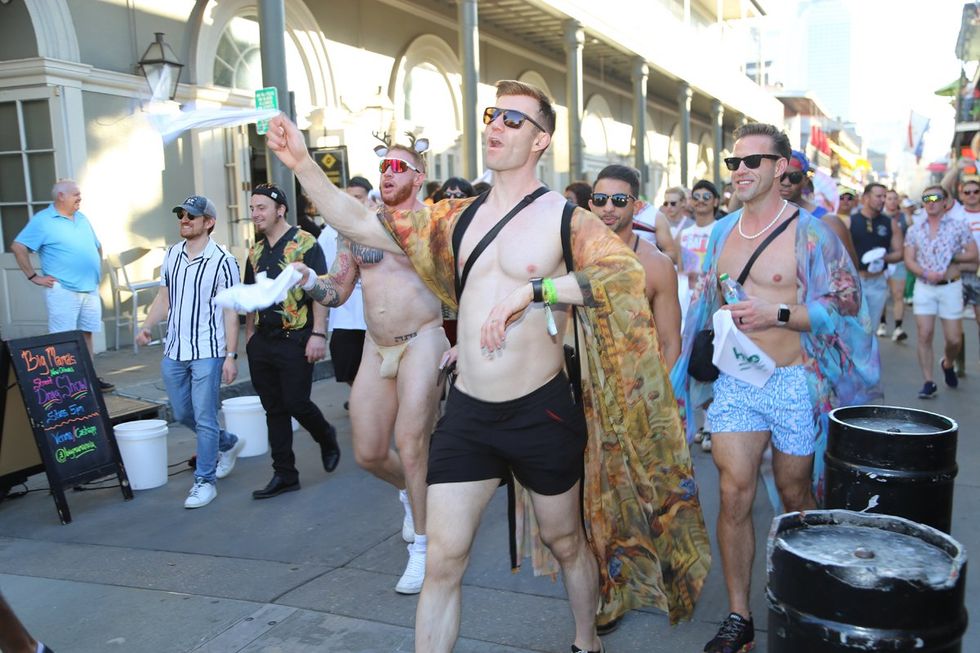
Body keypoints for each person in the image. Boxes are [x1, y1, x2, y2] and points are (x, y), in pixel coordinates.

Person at [269, 80, 709, 653]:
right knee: (443, 562)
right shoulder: (455, 217)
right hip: (470, 414)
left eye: (512, 120)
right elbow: (362, 225)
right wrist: (302, 163)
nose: (495, 126)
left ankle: (585, 640)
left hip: (540, 411)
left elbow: (622, 277)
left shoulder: (564, 218)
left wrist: (538, 290)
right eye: (491, 115)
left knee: (565, 541)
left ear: (540, 140)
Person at [672, 123, 880, 653]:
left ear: (781, 167)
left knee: (794, 494)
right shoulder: (720, 234)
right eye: (733, 162)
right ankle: (739, 616)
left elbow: (847, 307)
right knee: (734, 491)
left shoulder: (812, 235)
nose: (739, 171)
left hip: (793, 382)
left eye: (752, 161)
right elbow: (704, 305)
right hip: (739, 384)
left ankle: (802, 597)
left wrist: (778, 312)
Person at [300, 137, 449, 596]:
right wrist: (306, 280)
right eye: (384, 166)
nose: (388, 173)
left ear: (418, 177)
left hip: (422, 339)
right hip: (375, 345)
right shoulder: (357, 226)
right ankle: (414, 493)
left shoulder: (432, 224)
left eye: (399, 167)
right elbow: (339, 290)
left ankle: (423, 549)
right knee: (366, 452)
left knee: (411, 443)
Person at [136, 195, 244, 508]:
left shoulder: (223, 261)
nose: (184, 219)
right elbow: (163, 298)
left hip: (208, 350)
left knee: (205, 416)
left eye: (191, 216)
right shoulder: (171, 254)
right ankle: (227, 444)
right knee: (183, 413)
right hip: (174, 348)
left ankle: (204, 480)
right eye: (181, 214)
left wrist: (230, 355)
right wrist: (146, 326)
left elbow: (230, 313)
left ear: (208, 222)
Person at [244, 183, 341, 499]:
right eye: (252, 208)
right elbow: (251, 295)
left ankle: (325, 435)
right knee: (273, 409)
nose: (255, 214)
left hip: (295, 338)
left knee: (296, 402)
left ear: (279, 209)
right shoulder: (256, 250)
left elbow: (320, 291)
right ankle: (285, 473)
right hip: (263, 340)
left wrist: (318, 335)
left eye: (261, 207)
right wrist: (249, 339)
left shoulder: (304, 243)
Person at [11, 180, 113, 391]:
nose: (79, 198)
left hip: (89, 288)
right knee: (62, 339)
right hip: (64, 290)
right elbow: (18, 246)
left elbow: (97, 246)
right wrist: (33, 277)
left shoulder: (81, 217)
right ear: (61, 196)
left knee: (87, 334)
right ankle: (63, 384)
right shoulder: (44, 220)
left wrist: (94, 271)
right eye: (76, 194)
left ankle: (88, 380)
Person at [590, 165, 681, 369]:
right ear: (590, 204)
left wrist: (664, 399)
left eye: (619, 200)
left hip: (639, 387)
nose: (608, 208)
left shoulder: (657, 265)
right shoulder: (571, 255)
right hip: (581, 391)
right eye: (600, 200)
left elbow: (670, 342)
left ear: (637, 206)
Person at [904, 185, 978, 399]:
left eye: (936, 197)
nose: (931, 201)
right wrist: (925, 272)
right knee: (924, 334)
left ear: (946, 202)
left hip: (951, 286)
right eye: (927, 198)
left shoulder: (958, 226)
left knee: (954, 339)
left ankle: (947, 363)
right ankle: (928, 381)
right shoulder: (915, 229)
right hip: (925, 287)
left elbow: (973, 253)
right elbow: (909, 258)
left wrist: (953, 259)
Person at [778, 150, 858, 266]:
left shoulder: (829, 222)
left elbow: (849, 271)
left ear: (805, 181)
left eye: (794, 177)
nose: (786, 182)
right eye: (781, 176)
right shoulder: (760, 218)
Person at [849, 183, 904, 336]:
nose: (882, 200)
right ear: (866, 197)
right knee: (852, 327)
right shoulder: (850, 221)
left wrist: (884, 257)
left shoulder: (889, 223)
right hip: (855, 280)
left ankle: (866, 359)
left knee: (870, 330)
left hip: (877, 282)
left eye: (884, 197)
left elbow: (900, 253)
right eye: (878, 196)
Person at [882, 188, 911, 341]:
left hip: (899, 261)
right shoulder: (879, 217)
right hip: (882, 262)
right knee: (883, 295)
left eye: (895, 198)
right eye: (889, 198)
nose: (892, 201)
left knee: (898, 295)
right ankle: (882, 323)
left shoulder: (905, 218)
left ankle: (898, 327)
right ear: (884, 200)